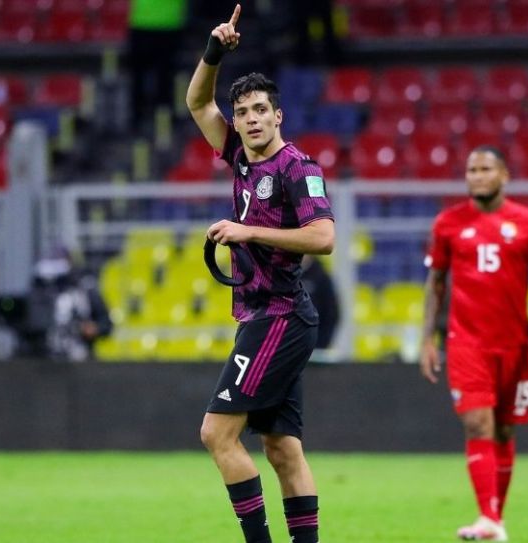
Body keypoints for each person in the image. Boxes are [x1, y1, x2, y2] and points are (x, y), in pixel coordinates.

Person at [186, 5, 335, 543]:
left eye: (258, 110)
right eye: (242, 110)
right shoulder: (242, 160)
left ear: (279, 117)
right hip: (263, 314)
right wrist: (213, 53)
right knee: (281, 447)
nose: (249, 119)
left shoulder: (299, 168)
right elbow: (198, 101)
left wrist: (248, 232)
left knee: (217, 434)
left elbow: (324, 238)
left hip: (279, 315)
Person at [420, 146, 528, 542]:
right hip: (466, 343)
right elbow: (436, 285)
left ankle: (494, 518)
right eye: (471, 170)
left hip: (514, 344)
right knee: (477, 422)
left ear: (504, 175)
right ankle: (488, 519)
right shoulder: (448, 224)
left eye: (485, 169)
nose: (477, 176)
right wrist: (428, 337)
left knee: (504, 431)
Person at [21, 250, 113, 361]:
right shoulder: (38, 291)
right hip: (44, 360)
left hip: (81, 358)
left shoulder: (86, 289)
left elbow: (106, 323)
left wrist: (94, 328)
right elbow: (28, 325)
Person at [300, 255, 340, 349]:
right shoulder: (283, 275)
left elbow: (331, 313)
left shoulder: (321, 276)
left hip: (315, 347)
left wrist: (321, 344)